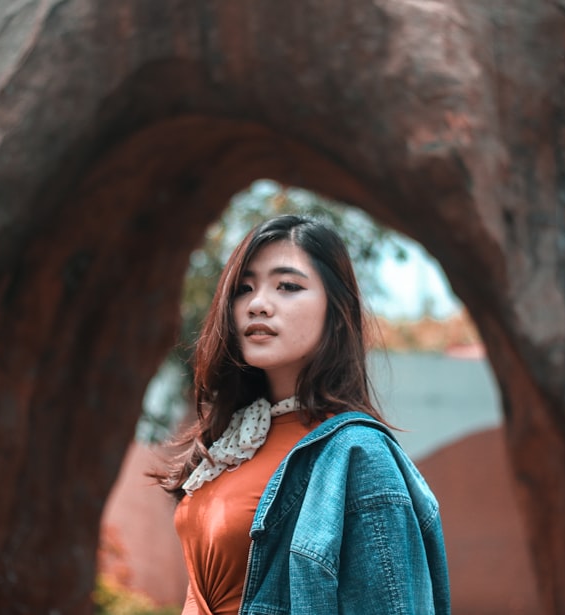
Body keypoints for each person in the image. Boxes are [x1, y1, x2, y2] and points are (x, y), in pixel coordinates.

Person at [154, 215, 450, 614]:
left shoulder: (359, 455)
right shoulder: (234, 440)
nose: (257, 304)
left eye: (288, 286)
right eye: (244, 289)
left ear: (336, 308)